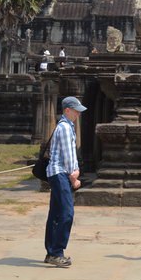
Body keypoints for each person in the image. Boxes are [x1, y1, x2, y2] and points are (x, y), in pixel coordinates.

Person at [44, 96, 85, 268]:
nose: (78, 114)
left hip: (56, 173)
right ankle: (56, 252)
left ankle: (51, 251)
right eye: (76, 111)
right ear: (67, 110)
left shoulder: (63, 126)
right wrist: (74, 176)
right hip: (61, 173)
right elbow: (68, 156)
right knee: (67, 213)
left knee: (55, 213)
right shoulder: (66, 128)